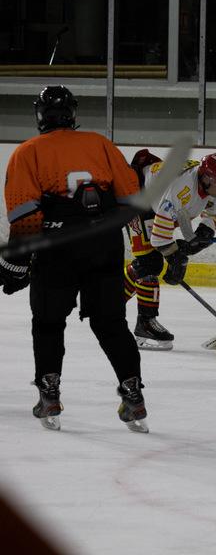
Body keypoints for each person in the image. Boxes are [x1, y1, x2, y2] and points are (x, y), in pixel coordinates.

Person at [1, 85, 148, 432]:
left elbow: (25, 218)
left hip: (58, 249)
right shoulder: (100, 144)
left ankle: (49, 394)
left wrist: (17, 265)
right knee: (111, 324)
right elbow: (132, 202)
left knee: (48, 323)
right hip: (104, 246)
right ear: (73, 113)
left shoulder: (27, 152)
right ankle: (133, 394)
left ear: (40, 115)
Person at [123, 149, 216, 350]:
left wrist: (204, 232)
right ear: (207, 178)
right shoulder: (181, 188)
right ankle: (142, 323)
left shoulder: (215, 187)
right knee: (150, 263)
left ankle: (111, 305)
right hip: (137, 194)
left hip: (159, 203)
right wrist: (177, 259)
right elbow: (160, 238)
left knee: (149, 263)